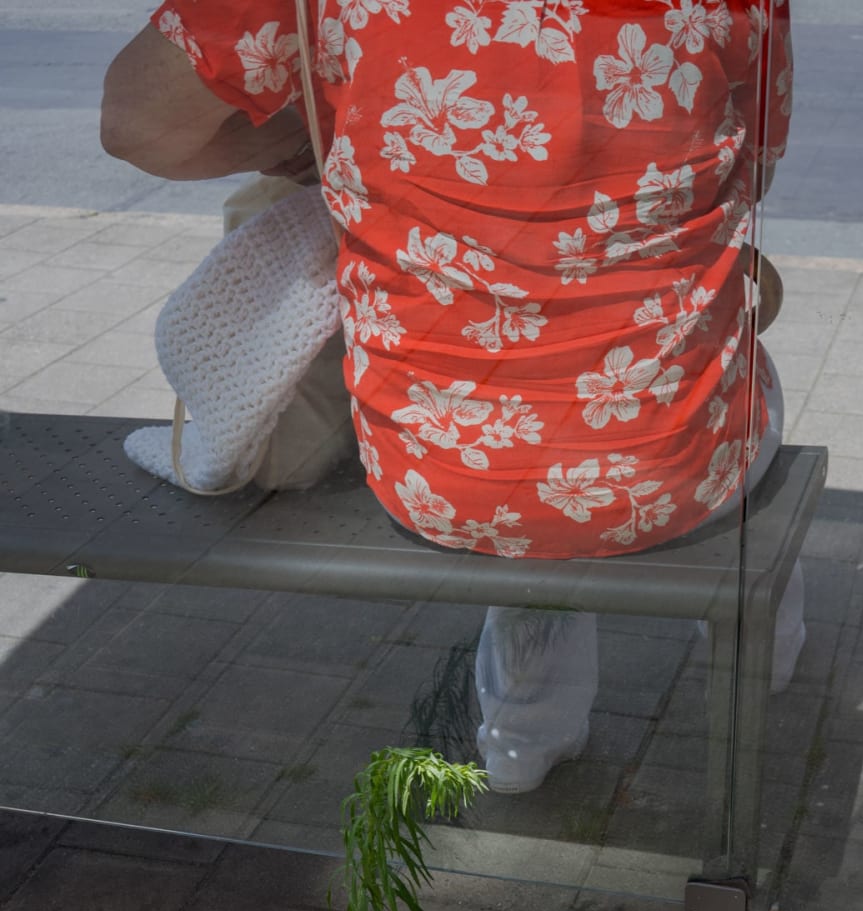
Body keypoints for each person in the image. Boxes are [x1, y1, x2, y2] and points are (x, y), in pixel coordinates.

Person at [102, 1, 800, 793]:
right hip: (668, 476)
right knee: (731, 367)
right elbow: (751, 170)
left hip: (436, 474)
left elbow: (139, 128)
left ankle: (522, 737)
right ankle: (768, 654)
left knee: (519, 426)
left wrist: (317, 137)